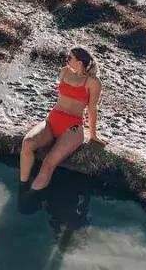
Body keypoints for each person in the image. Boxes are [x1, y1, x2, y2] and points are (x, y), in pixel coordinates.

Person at [19, 47, 102, 191]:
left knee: (48, 163)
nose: (67, 60)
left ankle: (30, 197)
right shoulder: (64, 71)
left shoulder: (93, 82)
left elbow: (92, 109)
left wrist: (93, 134)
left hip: (73, 127)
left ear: (80, 62)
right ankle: (22, 186)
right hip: (52, 120)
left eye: (70, 58)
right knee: (27, 143)